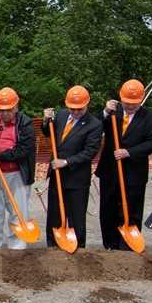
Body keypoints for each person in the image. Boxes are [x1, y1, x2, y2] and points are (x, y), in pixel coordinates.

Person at [95, 80, 152, 250]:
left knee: (132, 209)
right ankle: (110, 244)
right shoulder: (112, 113)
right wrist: (105, 112)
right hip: (110, 170)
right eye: (127, 102)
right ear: (120, 98)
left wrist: (129, 152)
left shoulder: (150, 117)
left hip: (134, 171)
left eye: (134, 103)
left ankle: (127, 245)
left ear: (141, 99)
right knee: (108, 208)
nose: (130, 106)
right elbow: (94, 127)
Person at [40, 85, 102, 248]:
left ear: (87, 104)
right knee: (54, 214)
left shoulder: (94, 124)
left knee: (76, 216)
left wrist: (66, 162)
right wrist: (46, 121)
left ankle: (77, 248)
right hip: (57, 175)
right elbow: (48, 132)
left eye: (79, 109)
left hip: (77, 177)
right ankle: (53, 245)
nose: (75, 112)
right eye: (72, 108)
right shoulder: (61, 115)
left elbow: (90, 152)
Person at [0, 87, 35, 250]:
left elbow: (25, 149)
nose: (4, 113)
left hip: (16, 173)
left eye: (8, 110)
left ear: (16, 107)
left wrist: (1, 156)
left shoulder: (25, 123)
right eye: (1, 110)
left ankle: (17, 246)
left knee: (18, 212)